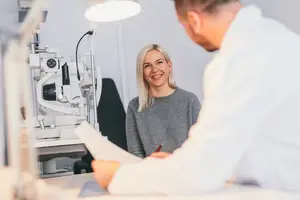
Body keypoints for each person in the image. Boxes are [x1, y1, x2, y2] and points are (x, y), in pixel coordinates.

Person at [92, 0, 300, 195]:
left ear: (194, 21)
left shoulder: (236, 62)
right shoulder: (281, 39)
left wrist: (117, 176)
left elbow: (199, 174)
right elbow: (246, 150)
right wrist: (177, 162)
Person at [126, 44, 201, 158]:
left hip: (185, 172)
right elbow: (135, 152)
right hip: (152, 173)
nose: (155, 69)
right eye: (147, 66)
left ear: (169, 65)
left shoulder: (190, 101)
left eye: (159, 62)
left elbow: (200, 146)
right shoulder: (134, 106)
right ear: (141, 72)